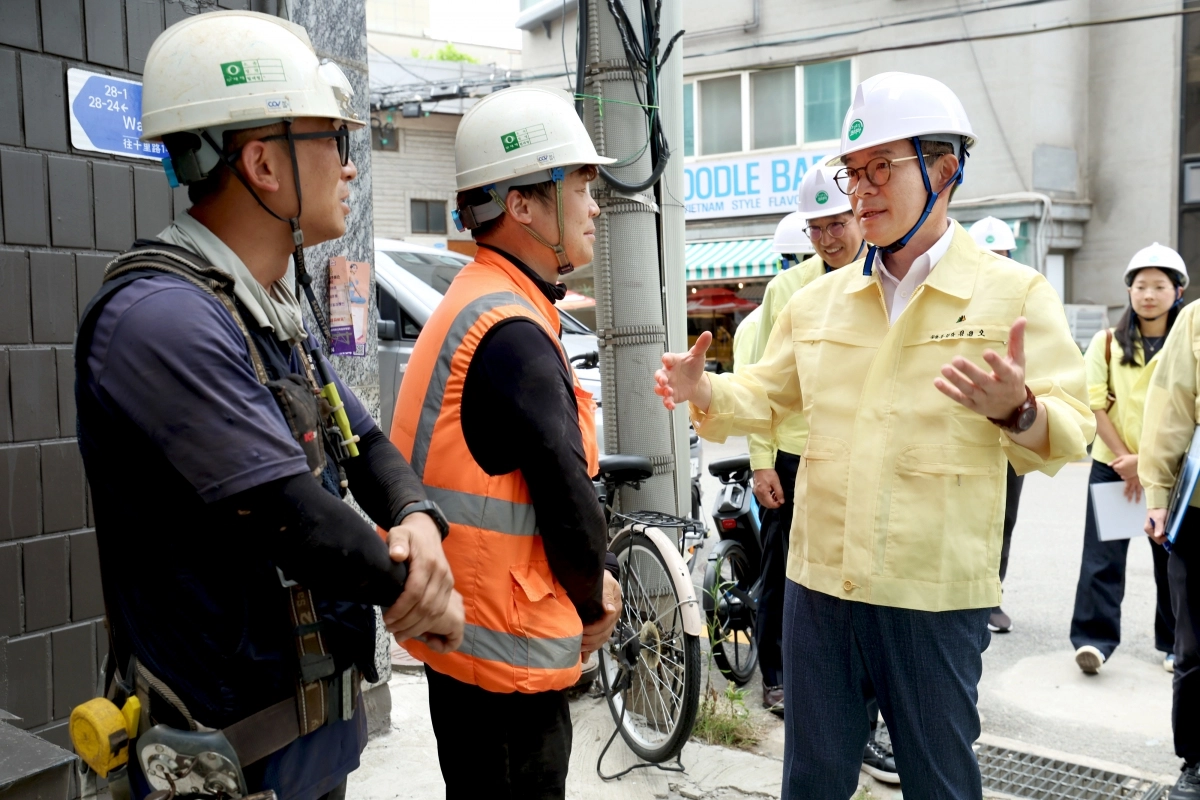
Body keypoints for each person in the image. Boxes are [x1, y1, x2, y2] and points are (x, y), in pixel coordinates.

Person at [653, 72, 1093, 799]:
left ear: (944, 169)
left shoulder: (1011, 294)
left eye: (882, 167)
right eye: (853, 172)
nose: (861, 191)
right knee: (814, 780)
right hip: (820, 586)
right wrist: (705, 391)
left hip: (933, 593)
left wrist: (1018, 411)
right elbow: (764, 395)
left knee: (938, 782)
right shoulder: (820, 301)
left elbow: (1071, 426)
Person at [74, 12, 461, 800]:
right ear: (263, 163)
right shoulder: (161, 320)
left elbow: (361, 439)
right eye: (334, 140)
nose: (350, 167)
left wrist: (416, 516)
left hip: (303, 751)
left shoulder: (264, 310)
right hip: (220, 769)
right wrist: (423, 594)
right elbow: (288, 513)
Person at [388, 86, 622, 800]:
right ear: (521, 204)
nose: (595, 204)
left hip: (468, 640)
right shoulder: (512, 333)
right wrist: (597, 596)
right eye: (581, 185)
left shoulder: (480, 297)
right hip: (507, 655)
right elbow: (565, 494)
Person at [1072, 244, 1184, 675]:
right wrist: (1126, 458)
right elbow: (1092, 403)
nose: (1149, 294)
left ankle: (1177, 643)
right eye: (1141, 286)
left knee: (1173, 562)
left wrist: (1147, 462)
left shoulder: (1187, 345)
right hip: (1112, 465)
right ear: (1130, 291)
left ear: (1178, 292)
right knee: (1102, 558)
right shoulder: (1105, 344)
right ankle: (1094, 642)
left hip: (1169, 471)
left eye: (1159, 286)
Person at [1141, 265, 1200, 800]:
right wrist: (1157, 495)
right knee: (1198, 647)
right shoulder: (1197, 322)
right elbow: (1170, 412)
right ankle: (1197, 762)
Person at [967, 216, 1026, 634]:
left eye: (999, 256)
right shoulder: (950, 301)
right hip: (962, 435)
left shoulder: (1026, 302)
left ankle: (991, 596)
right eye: (984, 256)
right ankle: (964, 596)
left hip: (1008, 432)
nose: (993, 264)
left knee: (1002, 519)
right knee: (961, 519)